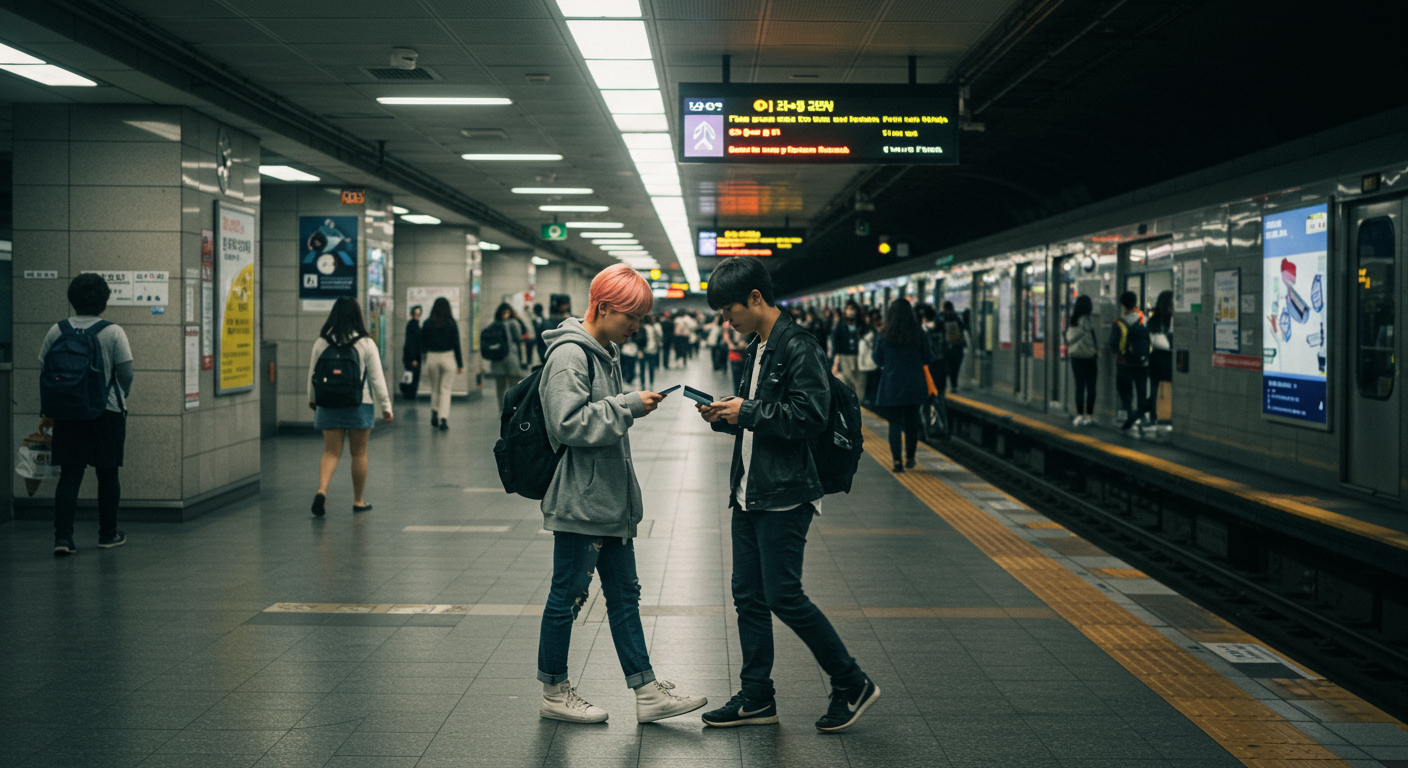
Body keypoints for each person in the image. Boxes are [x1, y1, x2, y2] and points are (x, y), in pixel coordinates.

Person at [696, 256, 880, 733]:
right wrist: (727, 417)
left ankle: (851, 681)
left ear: (756, 299)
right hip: (749, 492)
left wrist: (749, 412)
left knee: (784, 596)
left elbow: (810, 416)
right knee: (749, 598)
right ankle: (757, 697)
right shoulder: (759, 346)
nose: (725, 320)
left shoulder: (800, 347)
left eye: (729, 309)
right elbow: (760, 419)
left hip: (785, 494)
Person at [536, 264, 707, 725]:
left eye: (641, 318)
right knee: (567, 596)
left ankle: (647, 690)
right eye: (631, 316)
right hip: (581, 501)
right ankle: (553, 690)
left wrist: (625, 403)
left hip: (607, 499)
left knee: (624, 595)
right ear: (604, 307)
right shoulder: (571, 356)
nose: (637, 326)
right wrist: (628, 405)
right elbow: (567, 423)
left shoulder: (603, 351)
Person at [42, 273, 133, 555]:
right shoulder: (113, 331)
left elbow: (45, 370)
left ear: (72, 299)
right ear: (104, 301)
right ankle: (107, 534)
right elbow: (126, 372)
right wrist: (120, 395)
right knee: (107, 474)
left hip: (68, 413)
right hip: (106, 412)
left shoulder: (56, 331)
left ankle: (63, 538)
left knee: (70, 474)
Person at [308, 297, 393, 516]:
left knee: (331, 452)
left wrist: (313, 400)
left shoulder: (322, 342)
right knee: (359, 453)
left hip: (328, 403)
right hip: (359, 403)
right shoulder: (365, 343)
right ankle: (358, 500)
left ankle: (322, 491)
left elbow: (313, 375)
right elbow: (376, 378)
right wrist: (386, 406)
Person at [872, 299, 935, 472]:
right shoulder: (918, 333)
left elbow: (877, 358)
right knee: (912, 423)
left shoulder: (884, 333)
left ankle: (897, 462)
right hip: (914, 384)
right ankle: (911, 457)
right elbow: (928, 357)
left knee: (895, 424)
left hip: (892, 384)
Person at [1110, 291, 1152, 432]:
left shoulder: (1119, 322)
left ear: (1122, 304)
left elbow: (1113, 343)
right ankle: (1141, 417)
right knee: (1141, 390)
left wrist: (1117, 352)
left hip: (1124, 363)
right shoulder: (1143, 318)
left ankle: (1130, 414)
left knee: (1125, 390)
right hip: (1142, 362)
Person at [419, 297, 463, 431]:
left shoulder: (427, 323)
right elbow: (456, 344)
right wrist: (460, 364)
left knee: (435, 388)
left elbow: (422, 343)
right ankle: (443, 418)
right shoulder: (451, 323)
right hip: (448, 357)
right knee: (445, 389)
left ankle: (434, 411)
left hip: (432, 357)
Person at [1064, 295, 1100, 426]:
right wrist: (1097, 349)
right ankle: (1088, 416)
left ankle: (1079, 415)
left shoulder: (1073, 320)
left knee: (1079, 387)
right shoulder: (1087, 320)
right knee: (1091, 387)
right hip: (1089, 357)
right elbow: (1093, 338)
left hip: (1076, 357)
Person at [488, 303, 528, 413]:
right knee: (513, 385)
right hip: (511, 357)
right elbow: (518, 338)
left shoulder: (493, 324)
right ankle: (512, 408)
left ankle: (502, 409)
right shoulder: (514, 322)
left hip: (498, 358)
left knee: (500, 386)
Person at [829, 301, 866, 401]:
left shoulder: (861, 324)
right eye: (849, 309)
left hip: (859, 357)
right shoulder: (840, 325)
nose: (851, 311)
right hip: (845, 357)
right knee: (848, 381)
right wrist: (835, 363)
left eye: (853, 309)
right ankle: (851, 403)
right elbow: (836, 344)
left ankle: (859, 403)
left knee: (860, 382)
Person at [1147, 290, 1174, 426]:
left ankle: (1154, 415)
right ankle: (1168, 415)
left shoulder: (1153, 320)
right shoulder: (1172, 319)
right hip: (1169, 358)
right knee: (1170, 388)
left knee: (1154, 389)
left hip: (1155, 358)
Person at [940, 301, 968, 391]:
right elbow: (963, 329)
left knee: (946, 367)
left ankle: (943, 386)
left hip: (948, 347)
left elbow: (940, 331)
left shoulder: (943, 318)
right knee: (955, 367)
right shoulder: (958, 317)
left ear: (945, 309)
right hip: (958, 346)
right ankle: (954, 385)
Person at [401, 305, 423, 400]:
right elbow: (410, 342)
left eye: (419, 313)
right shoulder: (412, 325)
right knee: (412, 377)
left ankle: (409, 395)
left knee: (412, 376)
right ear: (412, 314)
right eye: (415, 313)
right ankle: (409, 395)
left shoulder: (415, 325)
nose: (417, 315)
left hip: (414, 356)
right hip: (412, 357)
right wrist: (413, 358)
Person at [639, 314, 661, 389]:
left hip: (643, 350)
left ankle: (643, 384)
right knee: (651, 368)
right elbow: (658, 338)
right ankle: (651, 383)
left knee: (642, 368)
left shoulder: (641, 328)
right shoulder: (653, 328)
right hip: (653, 350)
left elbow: (639, 340)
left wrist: (640, 350)